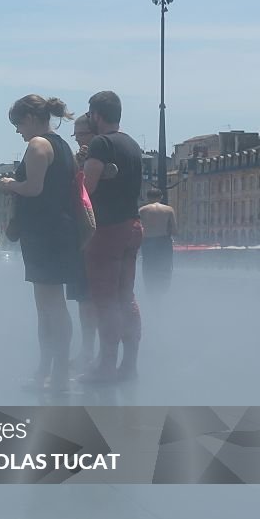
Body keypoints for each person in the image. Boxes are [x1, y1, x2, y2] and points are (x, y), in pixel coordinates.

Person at [0, 95, 78, 392]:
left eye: (18, 124)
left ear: (30, 118)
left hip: (46, 233)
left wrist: (9, 185)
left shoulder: (38, 145)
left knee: (50, 307)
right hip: (58, 230)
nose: (18, 131)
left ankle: (55, 374)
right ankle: (48, 370)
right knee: (50, 306)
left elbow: (34, 188)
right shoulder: (63, 146)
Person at [79, 91, 144, 383]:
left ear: (96, 115)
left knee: (104, 300)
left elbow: (86, 189)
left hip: (107, 230)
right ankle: (128, 367)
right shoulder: (131, 144)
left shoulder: (100, 143)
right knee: (126, 297)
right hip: (133, 227)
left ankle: (104, 368)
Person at [69, 114, 101, 369]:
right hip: (86, 235)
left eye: (81, 134)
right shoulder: (83, 159)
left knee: (89, 298)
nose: (78, 139)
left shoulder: (95, 159)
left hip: (91, 235)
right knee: (85, 299)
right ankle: (89, 350)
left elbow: (83, 191)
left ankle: (91, 352)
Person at [138, 188, 176, 296]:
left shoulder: (142, 210)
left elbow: (138, 228)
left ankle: (150, 294)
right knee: (165, 270)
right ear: (161, 197)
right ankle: (163, 294)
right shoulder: (169, 210)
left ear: (147, 197)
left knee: (148, 270)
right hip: (164, 242)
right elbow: (175, 230)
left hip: (148, 242)